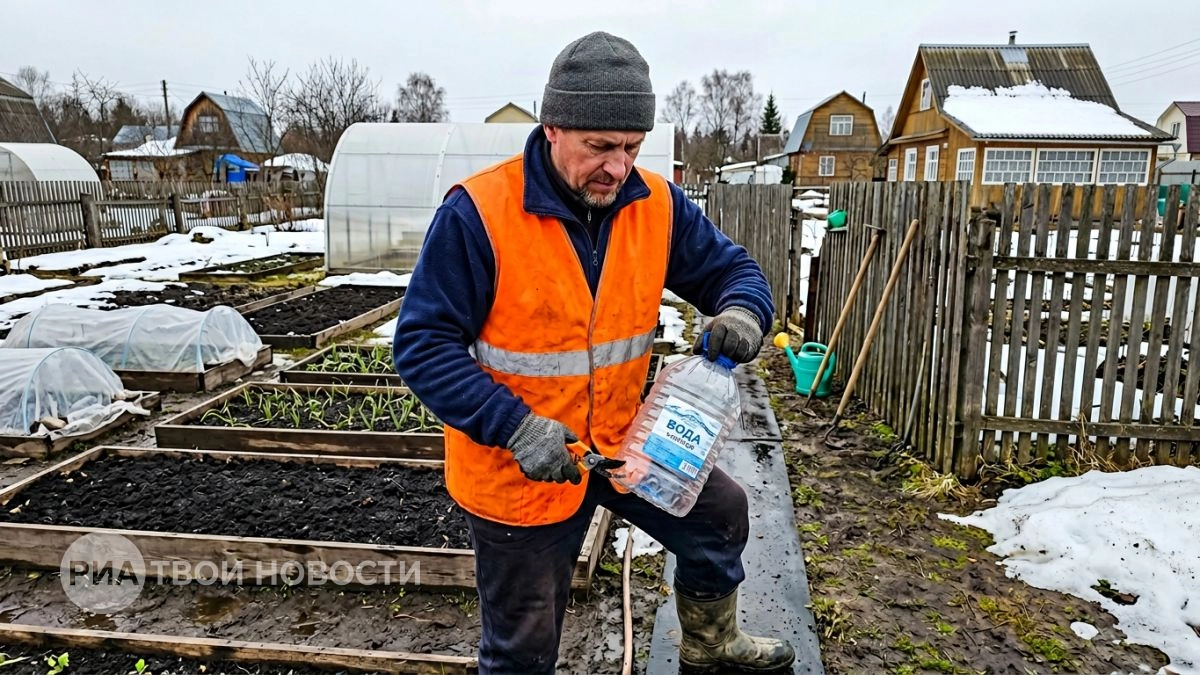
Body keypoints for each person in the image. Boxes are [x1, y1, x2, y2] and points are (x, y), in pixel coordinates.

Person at [393, 31, 796, 675]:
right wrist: (516, 427)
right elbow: (422, 346)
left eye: (631, 147)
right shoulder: (479, 214)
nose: (618, 166)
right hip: (521, 469)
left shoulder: (656, 204)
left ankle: (712, 644)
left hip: (622, 446)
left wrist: (744, 311)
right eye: (600, 147)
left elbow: (734, 273)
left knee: (719, 516)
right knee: (522, 646)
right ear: (552, 129)